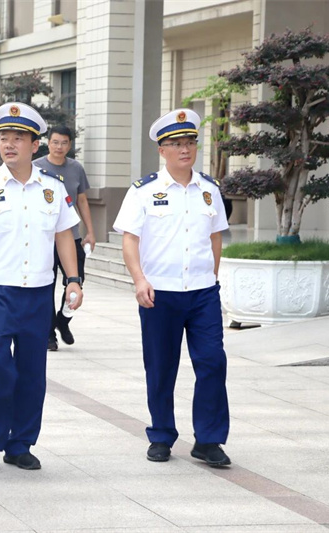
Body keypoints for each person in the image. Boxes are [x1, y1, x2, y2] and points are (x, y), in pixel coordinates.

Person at [0, 103, 83, 472]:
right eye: (4, 138)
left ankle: (20, 443)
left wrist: (73, 280)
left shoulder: (52, 188)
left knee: (31, 371)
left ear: (34, 145)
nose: (9, 145)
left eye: (18, 139)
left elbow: (64, 236)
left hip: (38, 292)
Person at [113, 108, 231, 467]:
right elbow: (130, 240)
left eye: (190, 142)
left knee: (212, 361)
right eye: (176, 144)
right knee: (161, 366)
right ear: (162, 150)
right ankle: (162, 435)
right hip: (159, 293)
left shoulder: (209, 189)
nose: (185, 149)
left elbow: (215, 238)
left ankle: (208, 440)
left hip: (202, 293)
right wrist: (139, 279)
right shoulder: (144, 191)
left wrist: (211, 277)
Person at [33, 125, 95, 351]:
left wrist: (90, 231)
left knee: (76, 281)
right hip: (45, 239)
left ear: (70, 145)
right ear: (48, 143)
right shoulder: (35, 167)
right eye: (55, 142)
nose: (59, 147)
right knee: (46, 286)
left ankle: (63, 319)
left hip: (72, 236)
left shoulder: (76, 168)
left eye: (64, 143)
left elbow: (82, 201)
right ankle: (49, 334)